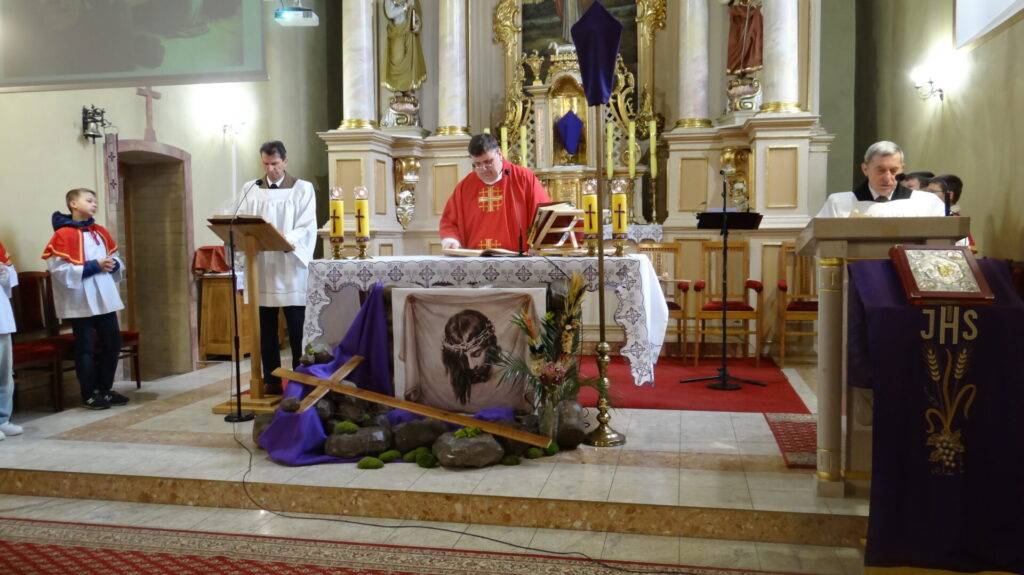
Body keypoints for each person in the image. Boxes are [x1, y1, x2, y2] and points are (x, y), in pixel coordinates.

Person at [235, 141, 317, 395]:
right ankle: (270, 380)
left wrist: (285, 239)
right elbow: (241, 223)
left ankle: (300, 380)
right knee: (265, 330)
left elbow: (306, 225)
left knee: (296, 328)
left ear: (285, 161)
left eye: (275, 164)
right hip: (260, 267)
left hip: (290, 267)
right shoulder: (251, 189)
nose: (270, 169)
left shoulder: (302, 189)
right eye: (266, 164)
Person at [42, 189, 128, 410]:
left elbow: (115, 257)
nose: (94, 204)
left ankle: (105, 389)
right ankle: (89, 393)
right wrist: (94, 266)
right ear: (73, 204)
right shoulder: (63, 234)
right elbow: (58, 270)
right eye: (89, 200)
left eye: (95, 201)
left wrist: (113, 264)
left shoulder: (99, 231)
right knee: (85, 347)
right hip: (80, 300)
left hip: (104, 298)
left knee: (113, 343)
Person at [440, 134, 551, 252]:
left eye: (488, 162)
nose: (483, 169)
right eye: (477, 164)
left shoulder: (523, 178)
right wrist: (452, 240)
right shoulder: (466, 186)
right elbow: (450, 221)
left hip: (516, 258)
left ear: (499, 153)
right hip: (476, 259)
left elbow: (543, 216)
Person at [816, 141, 945, 218]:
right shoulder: (838, 203)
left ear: (902, 169)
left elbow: (944, 244)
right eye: (880, 170)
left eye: (894, 171)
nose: (887, 178)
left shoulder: (927, 202)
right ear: (865, 169)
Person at [441, 309, 500, 405]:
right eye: (462, 358)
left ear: (489, 346)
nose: (471, 366)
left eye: (476, 354)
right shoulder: (450, 380)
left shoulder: (503, 377)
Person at [0, 242, 24, 438]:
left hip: (2, 318)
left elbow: (11, 276)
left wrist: (4, 272)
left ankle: (2, 419)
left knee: (5, 373)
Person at [382, 0, 427, 96]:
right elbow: (390, 13)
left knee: (410, 60)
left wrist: (418, 24)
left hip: (409, 34)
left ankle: (408, 87)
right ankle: (397, 87)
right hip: (397, 33)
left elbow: (417, 14)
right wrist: (406, 6)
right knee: (397, 58)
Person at [928, 174, 976, 252]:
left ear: (950, 195)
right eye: (927, 192)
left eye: (932, 192)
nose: (927, 195)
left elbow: (965, 252)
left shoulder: (954, 221)